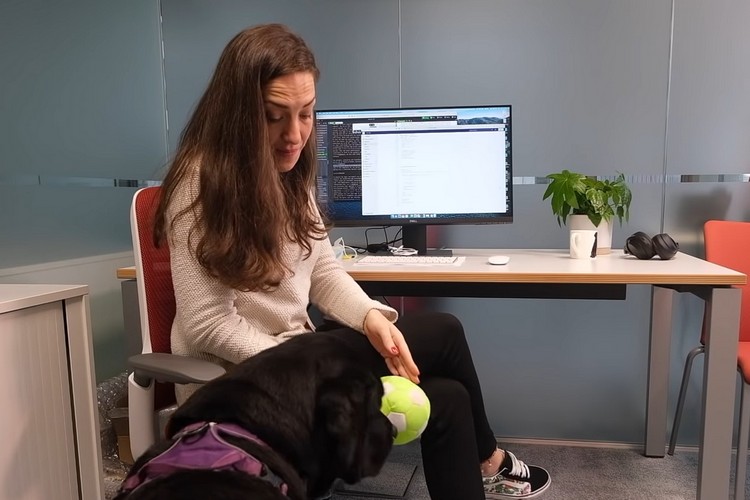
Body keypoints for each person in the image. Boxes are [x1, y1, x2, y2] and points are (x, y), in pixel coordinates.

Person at [152, 23, 551, 500]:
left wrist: (367, 318)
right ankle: (492, 461)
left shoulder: (289, 173)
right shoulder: (201, 185)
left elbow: (322, 269)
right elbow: (207, 327)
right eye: (274, 116)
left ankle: (485, 466)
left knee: (447, 397)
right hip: (237, 387)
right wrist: (308, 366)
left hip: (292, 359)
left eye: (306, 113)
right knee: (444, 331)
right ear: (238, 114)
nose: (295, 134)